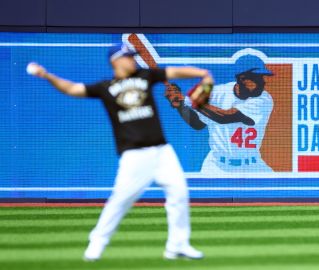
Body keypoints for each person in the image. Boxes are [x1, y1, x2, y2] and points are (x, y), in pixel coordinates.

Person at [27, 44, 213, 261]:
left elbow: (174, 71)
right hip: (134, 155)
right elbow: (72, 89)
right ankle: (97, 241)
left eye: (132, 57)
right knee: (121, 199)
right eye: (128, 57)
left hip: (162, 151)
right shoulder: (105, 87)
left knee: (179, 193)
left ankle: (177, 245)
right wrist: (47, 75)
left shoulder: (145, 76)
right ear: (116, 61)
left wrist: (203, 73)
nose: (133, 60)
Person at [165, 54, 274, 173]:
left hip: (252, 166)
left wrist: (190, 101)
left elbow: (225, 117)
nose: (263, 82)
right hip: (216, 167)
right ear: (242, 78)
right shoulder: (216, 93)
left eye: (262, 77)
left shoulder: (264, 99)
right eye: (257, 78)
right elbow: (198, 124)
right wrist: (180, 105)